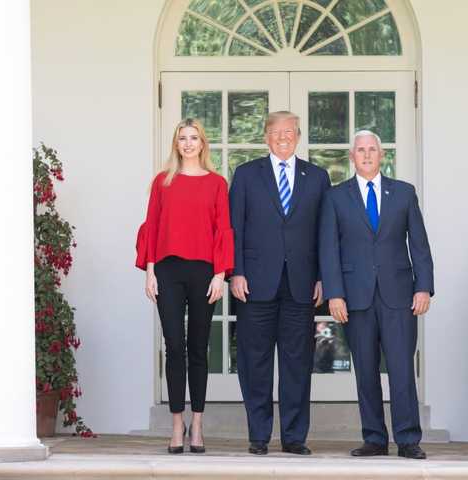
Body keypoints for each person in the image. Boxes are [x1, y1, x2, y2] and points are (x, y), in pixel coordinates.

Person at [319, 130, 434, 459]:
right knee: (365, 370)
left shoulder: (403, 193)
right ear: (352, 157)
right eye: (360, 150)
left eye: (372, 150)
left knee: (401, 369)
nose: (367, 155)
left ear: (381, 155)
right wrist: (335, 294)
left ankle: (408, 438)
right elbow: (329, 249)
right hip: (355, 298)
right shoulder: (336, 197)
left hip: (399, 295)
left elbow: (420, 245)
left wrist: (423, 286)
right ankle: (374, 438)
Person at [229, 111, 331, 455]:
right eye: (276, 132)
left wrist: (322, 277)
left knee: (297, 363)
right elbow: (235, 228)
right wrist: (236, 272)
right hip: (255, 282)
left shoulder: (317, 177)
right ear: (266, 137)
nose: (283, 137)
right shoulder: (245, 174)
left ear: (298, 136)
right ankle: (259, 436)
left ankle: (293, 437)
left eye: (289, 131)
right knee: (254, 361)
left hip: (302, 284)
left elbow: (325, 234)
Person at [136, 118, 233, 454]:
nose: (188, 143)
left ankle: (198, 424)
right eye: (182, 138)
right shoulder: (162, 182)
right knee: (174, 346)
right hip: (167, 270)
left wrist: (220, 274)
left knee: (198, 348)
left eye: (194, 138)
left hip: (205, 272)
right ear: (176, 144)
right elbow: (152, 225)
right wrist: (149, 271)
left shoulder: (217, 183)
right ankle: (177, 424)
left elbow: (223, 229)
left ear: (203, 143)